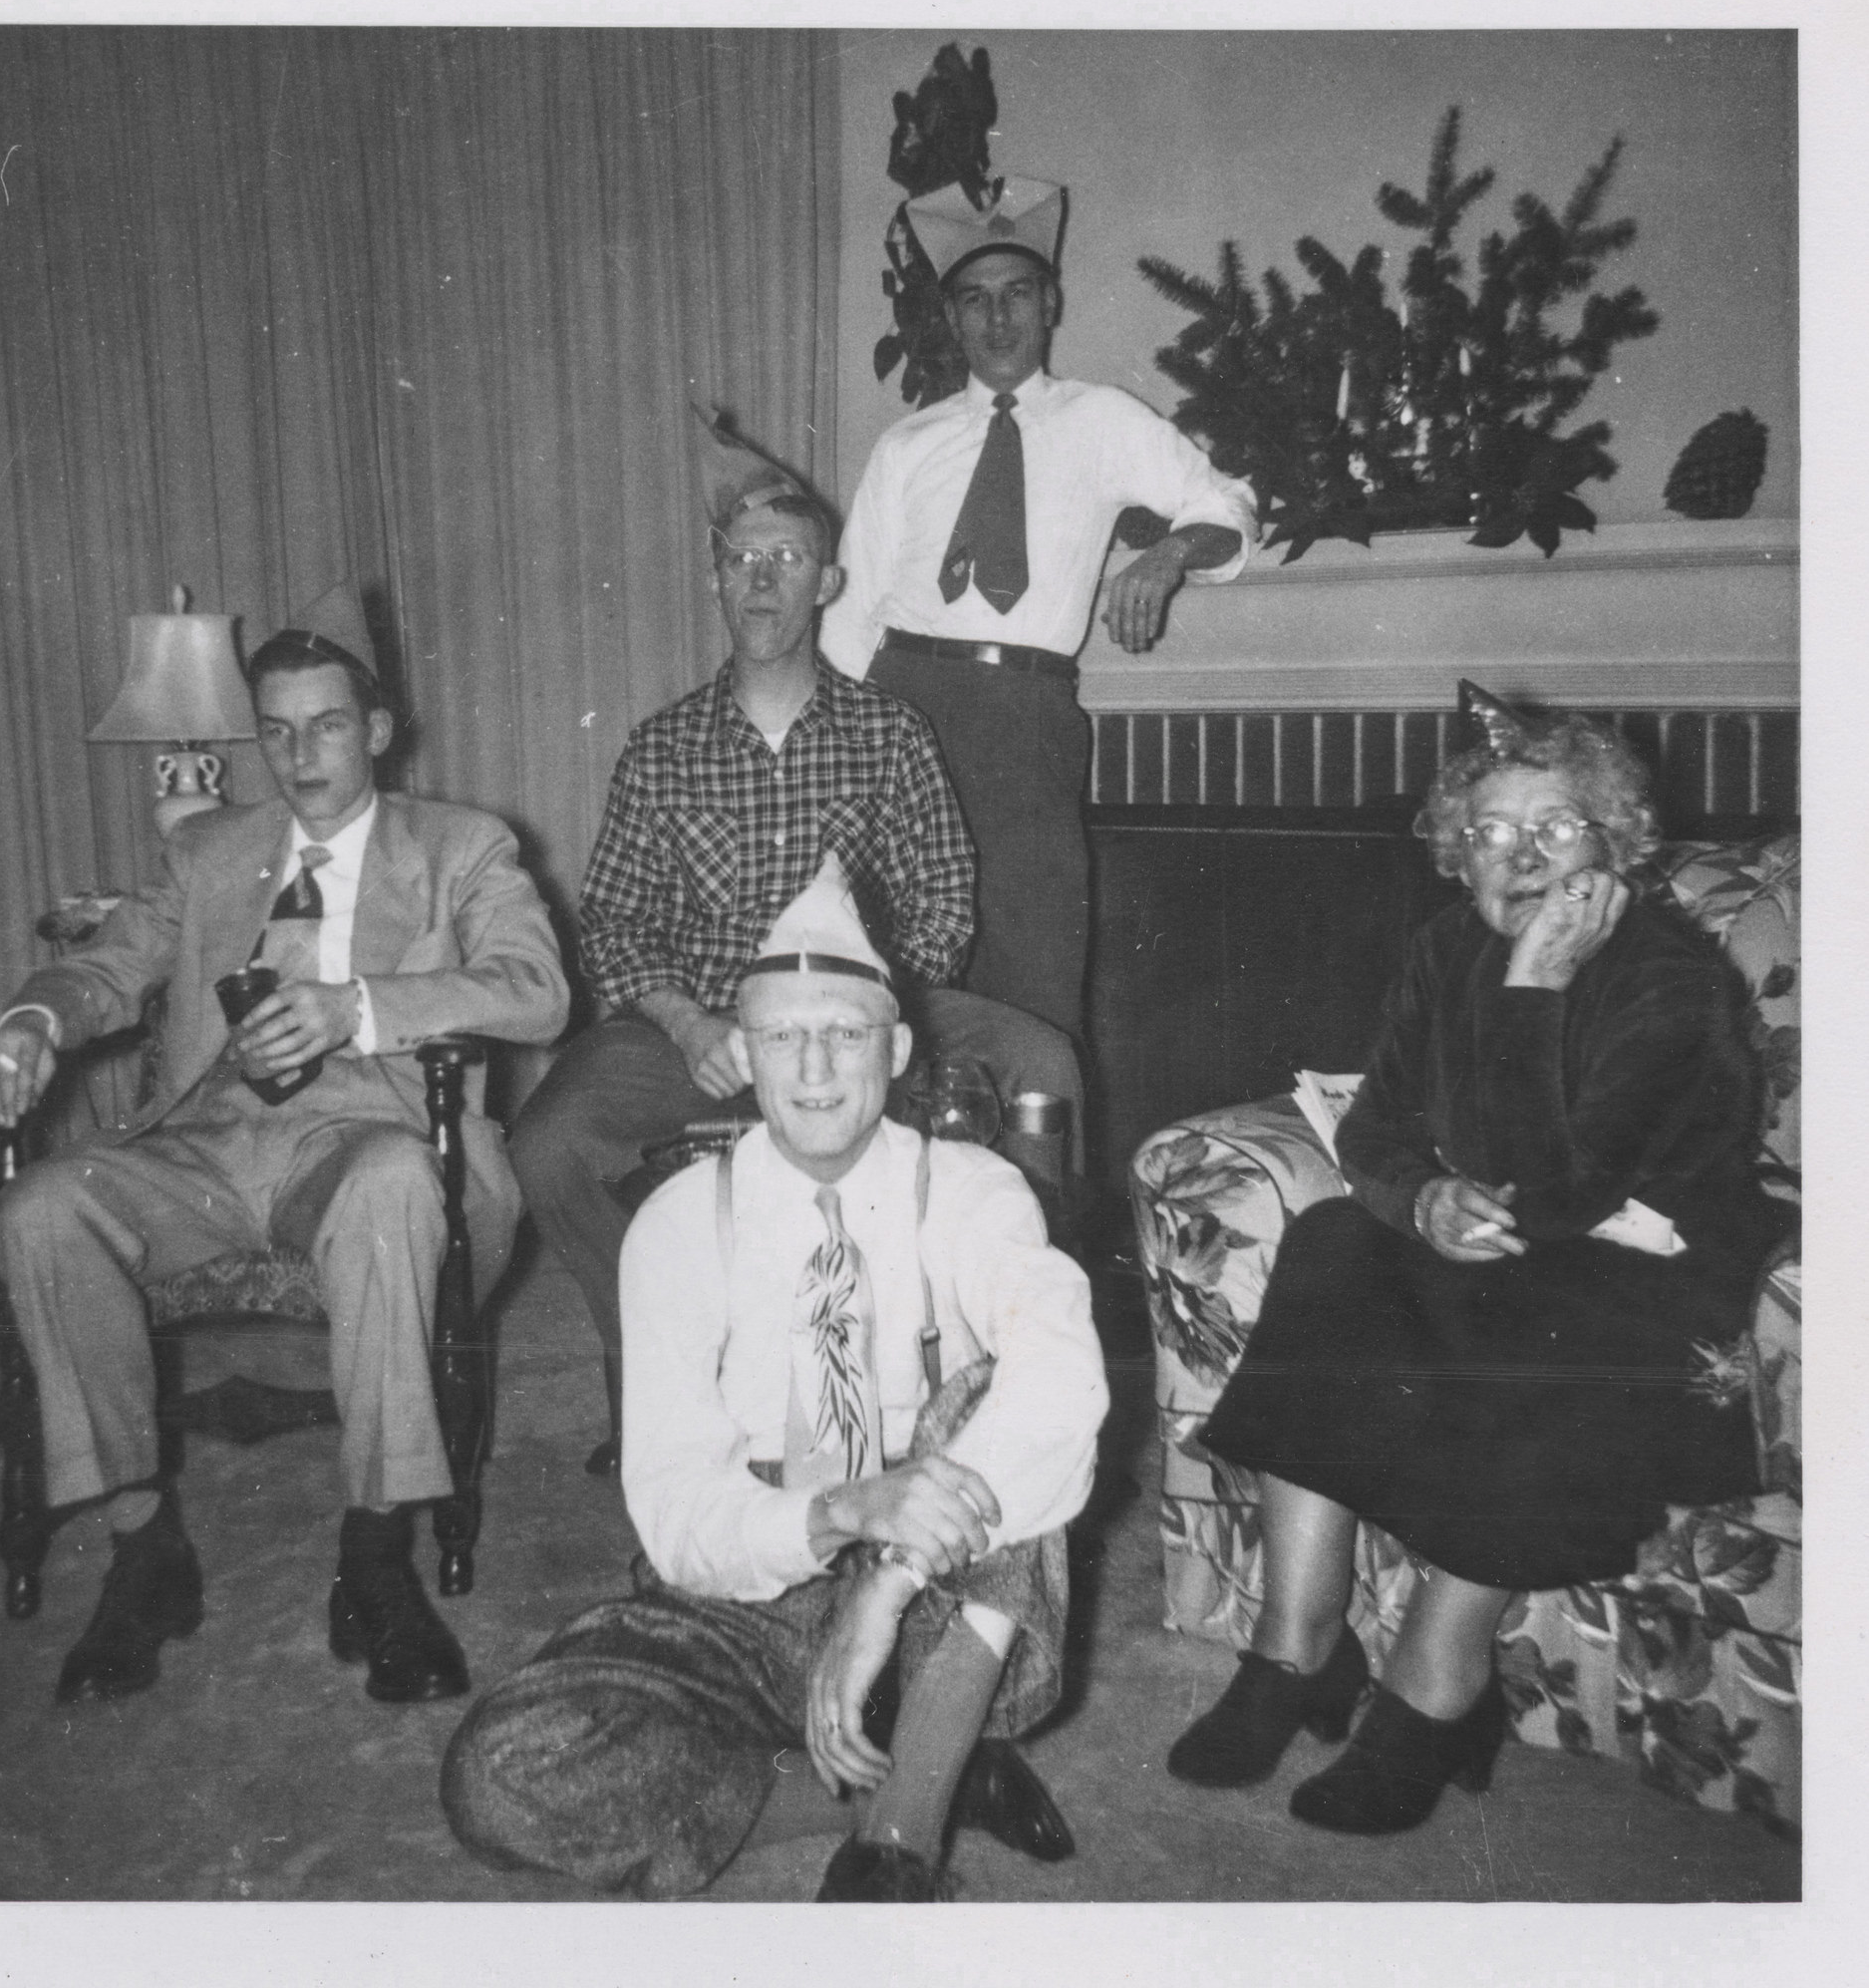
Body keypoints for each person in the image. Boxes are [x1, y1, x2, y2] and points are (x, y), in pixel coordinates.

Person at [1162, 686, 1787, 1833]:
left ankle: (1435, 1685)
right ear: (1459, 853)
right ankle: (1295, 1642)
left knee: (1538, 1309)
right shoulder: (1445, 945)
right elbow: (1376, 1129)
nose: (1523, 855)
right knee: (1335, 1239)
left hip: (1646, 1279)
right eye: (1492, 832)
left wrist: (1537, 983)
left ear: (1614, 847)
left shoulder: (1668, 977)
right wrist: (1422, 1196)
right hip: (1503, 1240)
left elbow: (1558, 1193)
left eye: (1557, 828)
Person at [443, 859, 1108, 1899]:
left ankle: (899, 1831)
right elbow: (672, 1508)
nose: (814, 1068)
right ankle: (915, 1759)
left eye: (843, 1032)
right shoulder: (679, 1221)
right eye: (783, 1035)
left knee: (991, 1399)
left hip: (939, 1589)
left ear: (894, 1047)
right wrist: (839, 1512)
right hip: (745, 1595)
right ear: (740, 1053)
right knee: (498, 1773)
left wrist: (883, 1577)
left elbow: (1065, 1375)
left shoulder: (974, 1190)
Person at [0, 585, 570, 1708]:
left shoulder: (460, 846)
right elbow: (107, 962)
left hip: (369, 1130)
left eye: (328, 724)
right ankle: (146, 1550)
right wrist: (36, 1015)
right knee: (39, 1207)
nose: (301, 753)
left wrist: (358, 1006)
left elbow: (537, 993)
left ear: (378, 728)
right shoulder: (213, 851)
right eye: (278, 729)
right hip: (207, 1142)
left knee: (398, 1184)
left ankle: (376, 1558)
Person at [510, 414, 1085, 1472]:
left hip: (865, 1012)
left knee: (1043, 1063)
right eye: (742, 561)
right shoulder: (663, 747)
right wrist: (686, 1021)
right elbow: (615, 921)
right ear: (716, 580)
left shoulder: (890, 734)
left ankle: (999, 1378)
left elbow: (943, 906)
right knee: (548, 1140)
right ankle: (667, 1388)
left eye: (787, 559)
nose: (762, 582)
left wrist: (864, 1017)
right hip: (706, 1025)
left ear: (829, 582)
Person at [819, 176, 1259, 1040]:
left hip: (1026, 721)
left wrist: (1166, 555)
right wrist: (834, 764)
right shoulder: (906, 445)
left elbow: (1228, 504)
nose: (997, 319)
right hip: (903, 712)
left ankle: (1031, 1173)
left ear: (1050, 304)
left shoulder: (1102, 419)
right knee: (893, 984)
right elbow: (850, 617)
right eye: (974, 301)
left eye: (1017, 294)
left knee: (1032, 985)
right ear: (952, 320)